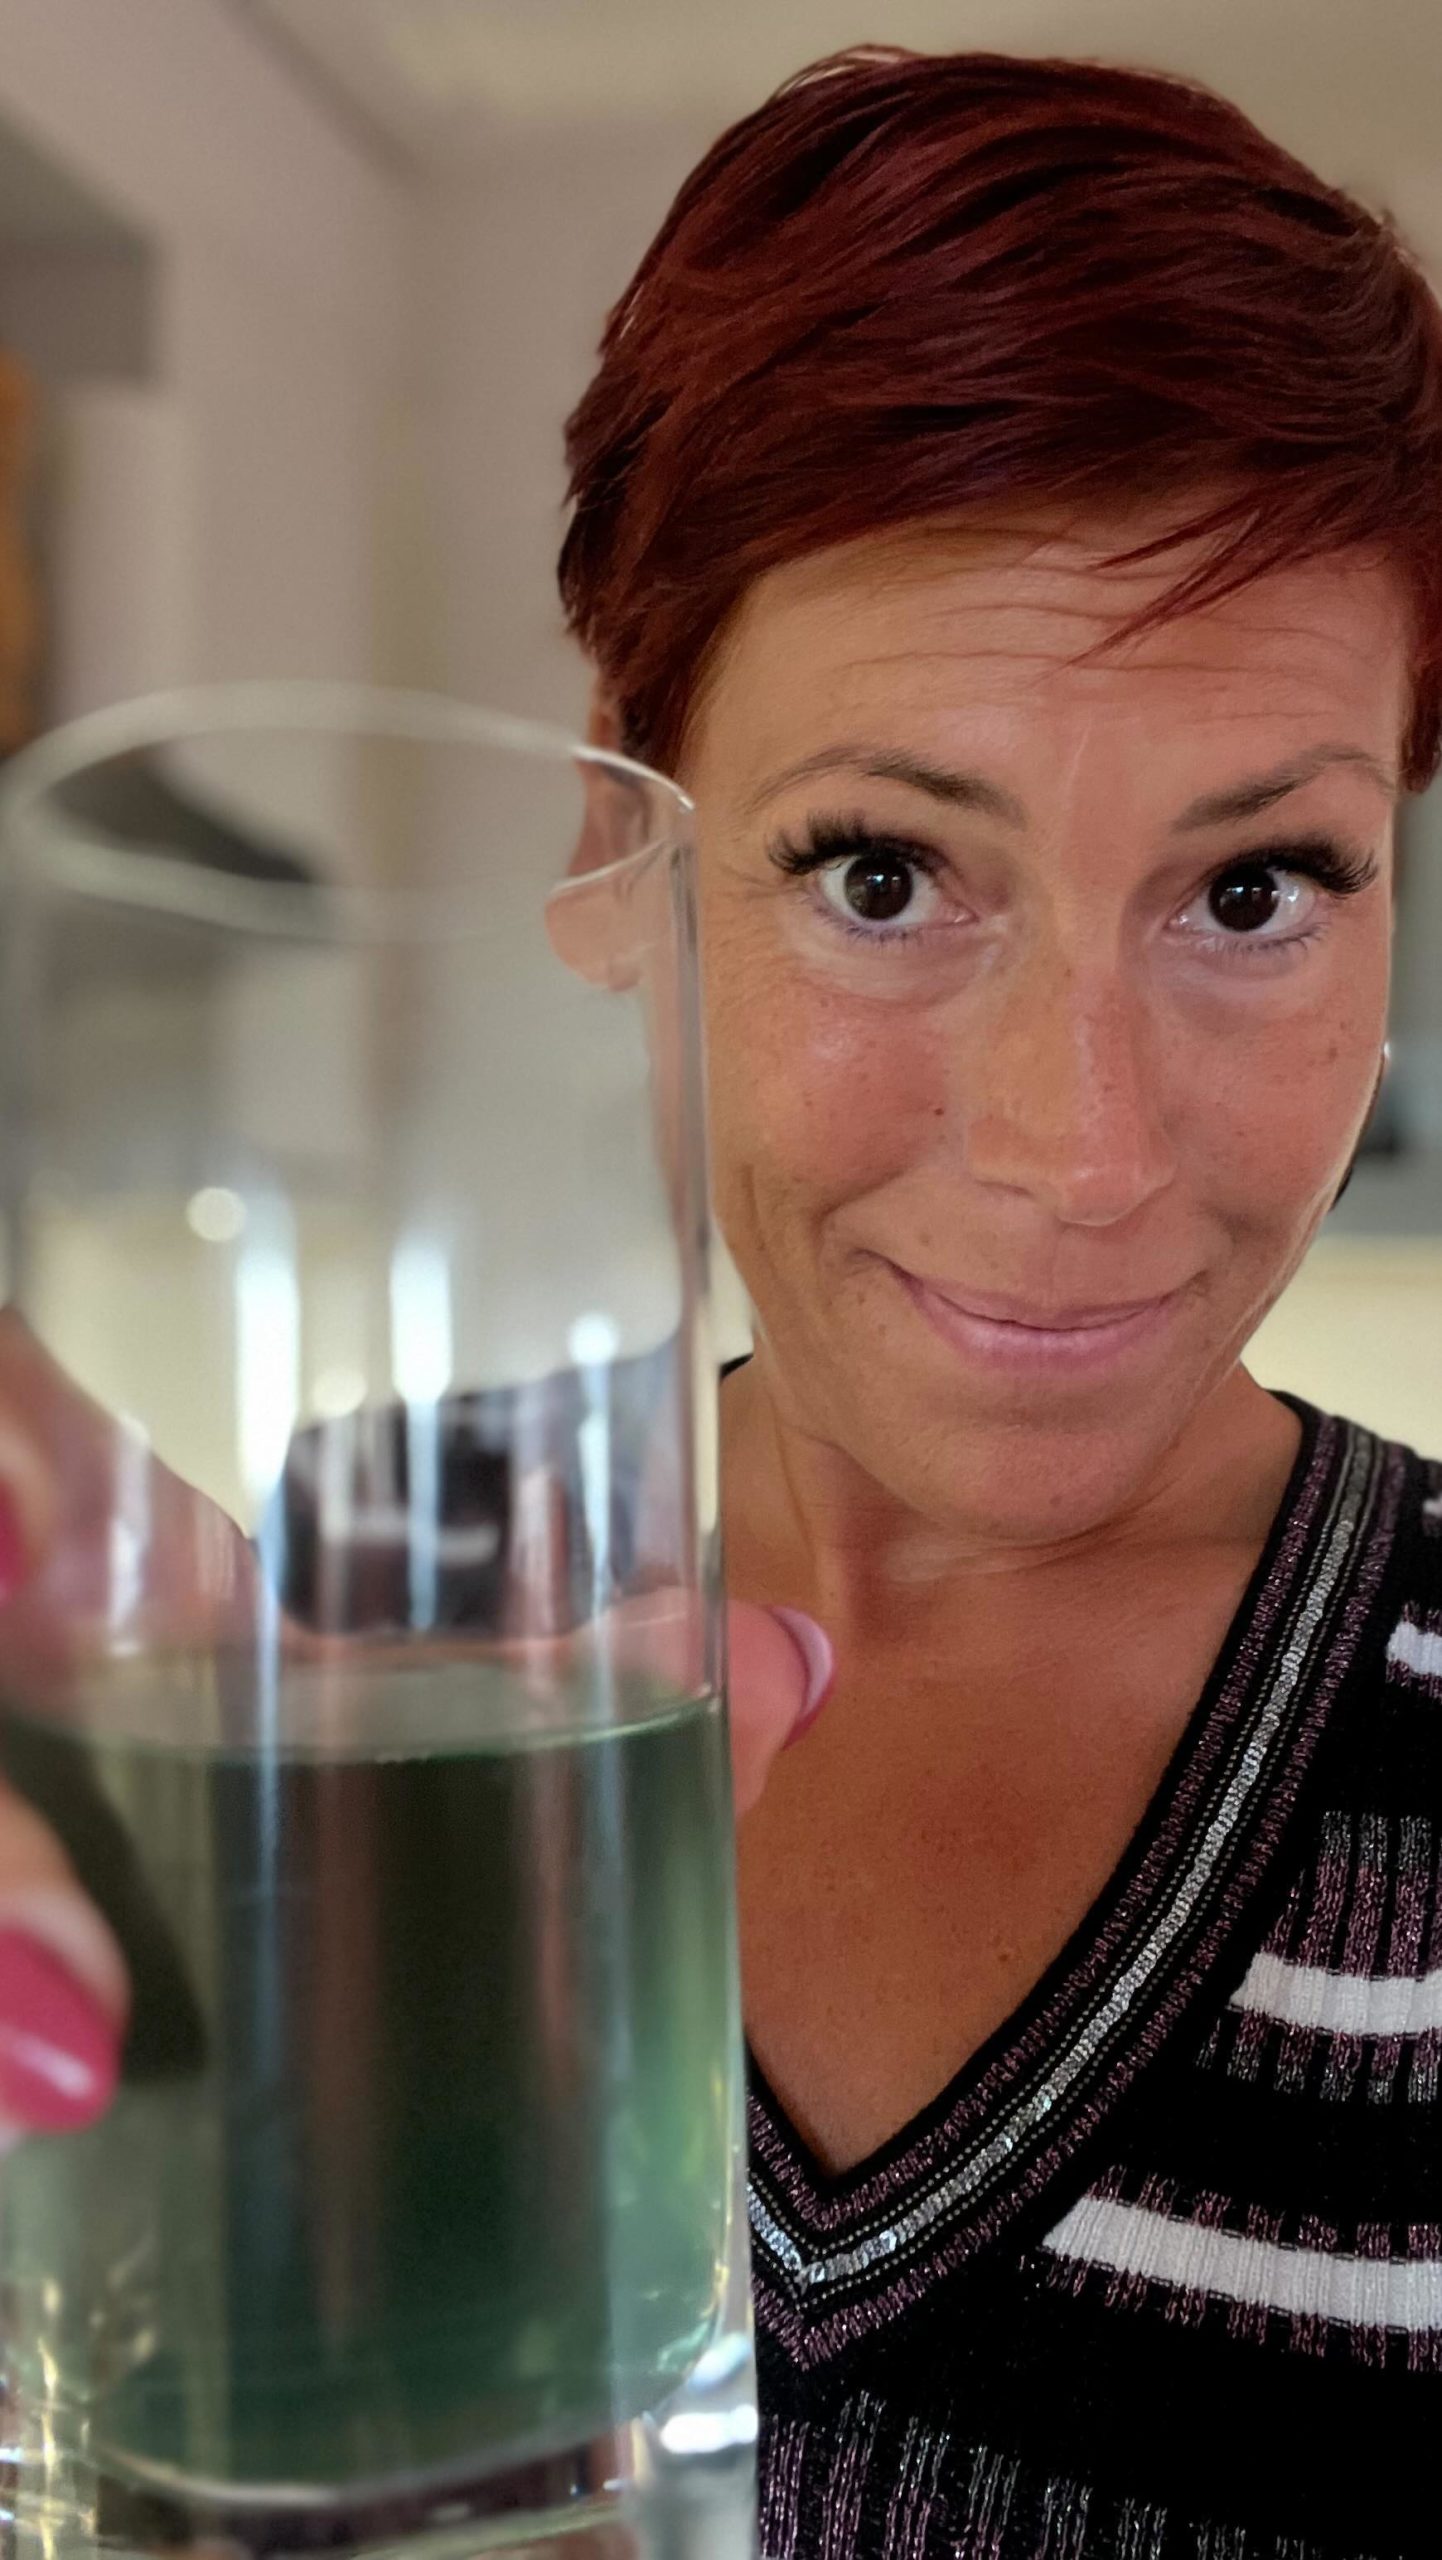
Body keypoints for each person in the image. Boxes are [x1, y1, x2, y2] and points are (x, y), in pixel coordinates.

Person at [2, 39, 1442, 2559]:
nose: (1082, 1147)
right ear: (614, 837)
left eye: (1255, 888)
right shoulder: (380, 1576)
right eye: (882, 870)